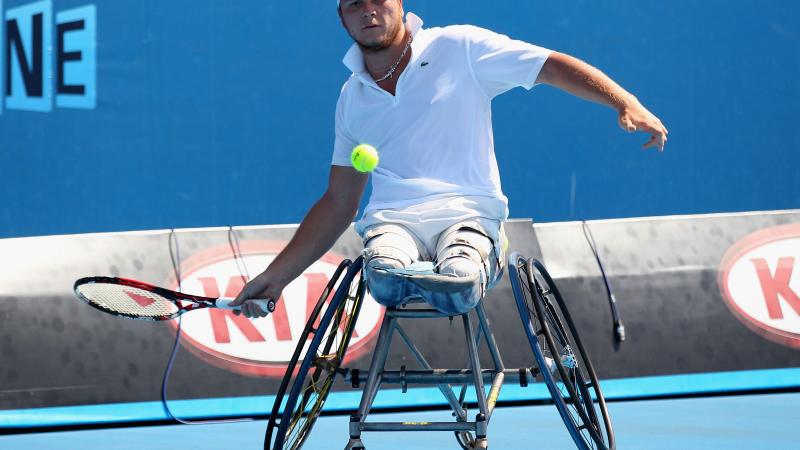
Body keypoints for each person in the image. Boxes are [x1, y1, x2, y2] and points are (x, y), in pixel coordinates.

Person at [232, 0, 667, 317]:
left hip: (470, 216)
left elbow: (550, 66)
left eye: (378, 0)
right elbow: (338, 203)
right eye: (354, 4)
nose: (369, 11)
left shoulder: (460, 47)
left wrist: (623, 101)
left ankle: (462, 273)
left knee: (458, 270)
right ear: (342, 17)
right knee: (383, 270)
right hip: (393, 222)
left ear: (400, 4)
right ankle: (399, 273)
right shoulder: (352, 98)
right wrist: (278, 277)